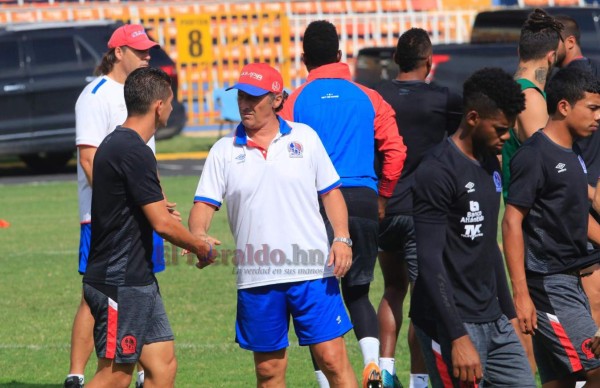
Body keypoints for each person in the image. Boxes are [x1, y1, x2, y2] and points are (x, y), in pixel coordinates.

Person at [189, 62, 357, 387]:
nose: (244, 104)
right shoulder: (223, 151)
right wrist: (198, 235)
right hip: (257, 278)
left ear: (277, 99)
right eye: (241, 96)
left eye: (254, 96)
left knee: (334, 361)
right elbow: (203, 206)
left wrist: (342, 238)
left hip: (313, 274)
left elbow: (331, 194)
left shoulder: (305, 138)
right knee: (268, 373)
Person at [279, 20, 407, 388]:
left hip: (317, 204)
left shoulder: (294, 101)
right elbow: (396, 150)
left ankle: (326, 382)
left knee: (317, 298)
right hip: (365, 200)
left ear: (304, 59)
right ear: (339, 55)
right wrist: (382, 195)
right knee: (358, 291)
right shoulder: (369, 97)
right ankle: (373, 367)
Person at [82, 66, 211, 388]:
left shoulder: (121, 144)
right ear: (159, 106)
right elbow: (163, 224)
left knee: (162, 365)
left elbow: (148, 210)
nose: (172, 107)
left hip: (138, 281)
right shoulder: (132, 150)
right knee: (116, 375)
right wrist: (200, 246)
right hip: (119, 281)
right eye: (171, 101)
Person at [409, 67, 534, 387]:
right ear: (474, 118)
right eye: (501, 129)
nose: (506, 138)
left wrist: (509, 316)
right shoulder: (436, 171)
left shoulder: (490, 164)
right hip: (449, 323)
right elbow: (429, 259)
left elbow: (488, 245)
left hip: (493, 319)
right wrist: (457, 336)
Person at [65, 24, 171, 388]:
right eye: (139, 50)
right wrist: (131, 206)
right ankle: (78, 374)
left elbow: (142, 162)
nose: (146, 56)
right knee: (99, 296)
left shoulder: (138, 93)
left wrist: (155, 200)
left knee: (140, 288)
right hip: (106, 218)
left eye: (148, 51)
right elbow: (91, 160)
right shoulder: (95, 95)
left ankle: (140, 365)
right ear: (117, 52)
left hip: (140, 212)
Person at [373, 28, 462, 388]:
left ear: (395, 59)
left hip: (383, 207)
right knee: (425, 298)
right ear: (429, 62)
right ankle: (420, 381)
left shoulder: (375, 96)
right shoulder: (444, 99)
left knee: (393, 287)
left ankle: (384, 369)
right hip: (421, 212)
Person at [503, 66, 600, 387]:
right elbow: (511, 221)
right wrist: (521, 294)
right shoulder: (535, 155)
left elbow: (575, 214)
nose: (598, 116)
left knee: (559, 381)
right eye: (592, 108)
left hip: (570, 282)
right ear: (563, 107)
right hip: (547, 285)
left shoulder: (573, 154)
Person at [556, 13, 600, 330]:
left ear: (569, 42)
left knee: (592, 297)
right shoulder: (590, 72)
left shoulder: (572, 83)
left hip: (584, 197)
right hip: (589, 192)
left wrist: (587, 191)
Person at [501, 8, 564, 200]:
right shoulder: (530, 98)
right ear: (551, 57)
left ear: (519, 50)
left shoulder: (511, 88)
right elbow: (552, 167)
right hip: (533, 215)